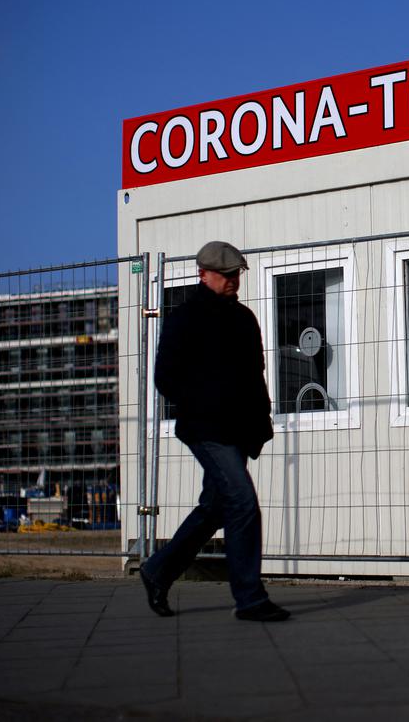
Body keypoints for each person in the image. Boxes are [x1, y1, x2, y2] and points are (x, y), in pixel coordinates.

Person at [139, 240, 289, 622]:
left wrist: (261, 419)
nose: (233, 281)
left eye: (236, 274)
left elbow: (256, 375)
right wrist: (206, 403)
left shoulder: (243, 319)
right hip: (206, 428)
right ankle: (250, 599)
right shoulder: (184, 318)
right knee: (242, 503)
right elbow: (165, 379)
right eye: (226, 275)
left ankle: (158, 570)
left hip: (240, 430)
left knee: (216, 507)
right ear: (203, 273)